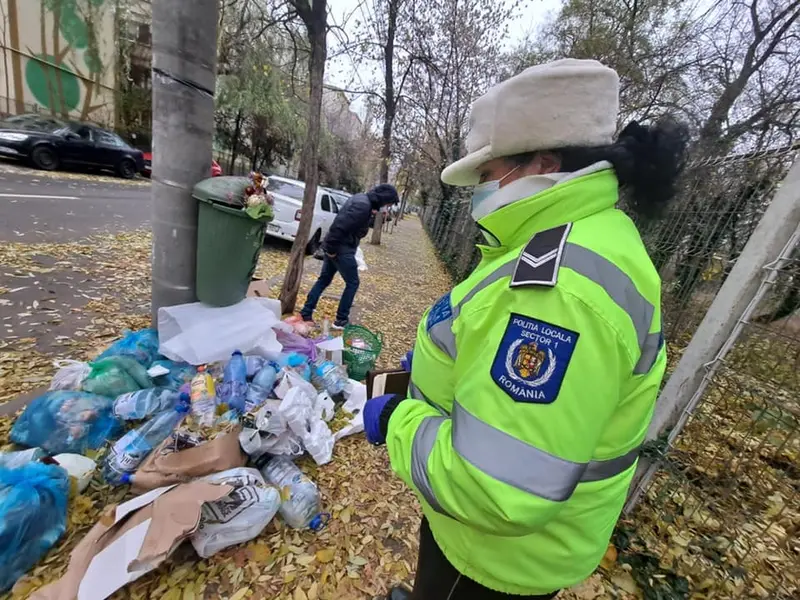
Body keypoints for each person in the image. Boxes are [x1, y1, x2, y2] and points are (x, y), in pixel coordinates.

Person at [362, 58, 689, 599]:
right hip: (505, 551)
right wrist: (431, 370)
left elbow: (494, 490)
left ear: (542, 163)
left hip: (488, 562)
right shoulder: (572, 240)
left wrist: (400, 417)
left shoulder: (560, 289)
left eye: (488, 176)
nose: (480, 191)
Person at [300, 183, 399, 328]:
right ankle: (341, 320)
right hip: (341, 249)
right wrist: (332, 250)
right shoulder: (363, 206)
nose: (388, 206)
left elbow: (355, 225)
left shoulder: (361, 200)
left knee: (324, 280)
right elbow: (341, 226)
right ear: (384, 198)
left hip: (336, 246)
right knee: (353, 283)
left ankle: (306, 312)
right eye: (388, 203)